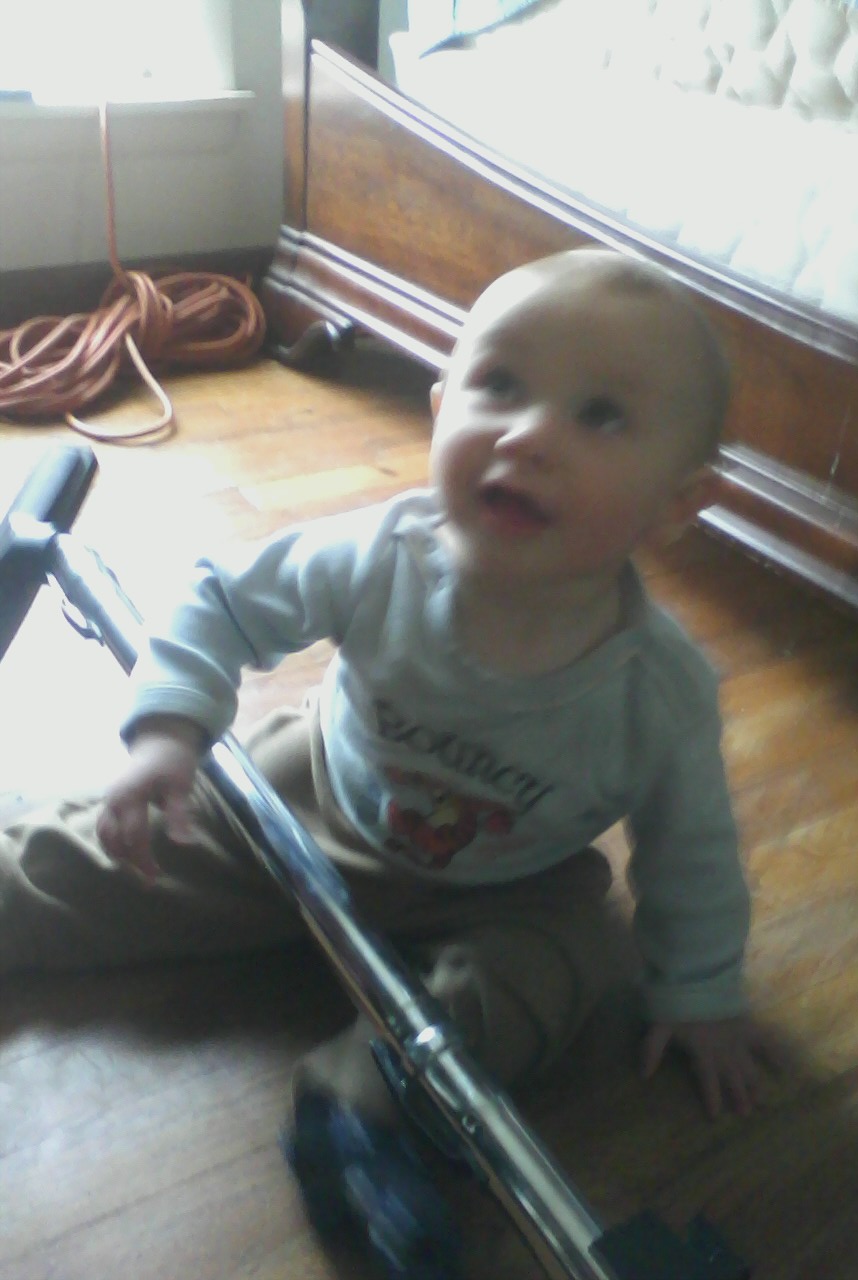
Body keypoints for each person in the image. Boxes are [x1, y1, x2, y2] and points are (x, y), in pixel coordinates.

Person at [1, 248, 778, 1273]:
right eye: (500, 385)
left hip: (512, 883)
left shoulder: (658, 693)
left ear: (679, 502)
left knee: (571, 965)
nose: (528, 433)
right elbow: (222, 601)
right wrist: (168, 733)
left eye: (599, 415)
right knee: (122, 853)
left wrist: (703, 992)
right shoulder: (381, 554)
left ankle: (360, 1110)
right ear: (442, 404)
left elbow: (692, 853)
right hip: (314, 803)